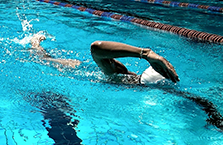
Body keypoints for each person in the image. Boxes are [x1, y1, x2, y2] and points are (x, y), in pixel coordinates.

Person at [30, 35, 179, 84]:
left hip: (86, 68)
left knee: (47, 59)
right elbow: (96, 47)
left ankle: (36, 44)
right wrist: (145, 54)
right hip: (79, 68)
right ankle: (34, 43)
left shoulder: (122, 76)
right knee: (45, 59)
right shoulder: (117, 74)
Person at [90, 40, 179, 84]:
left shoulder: (118, 77)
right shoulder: (122, 75)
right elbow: (96, 48)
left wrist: (145, 54)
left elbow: (96, 48)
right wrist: (144, 54)